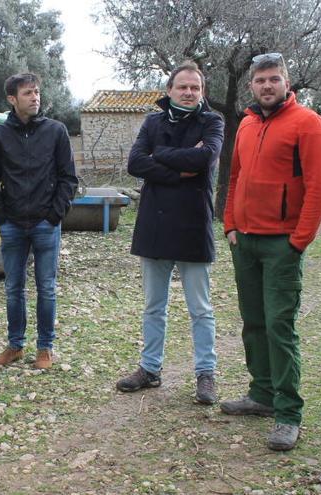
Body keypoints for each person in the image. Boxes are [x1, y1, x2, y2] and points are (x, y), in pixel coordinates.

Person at [221, 52, 321, 451]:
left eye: (274, 79)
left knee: (279, 327)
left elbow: (320, 190)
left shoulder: (309, 125)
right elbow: (234, 178)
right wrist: (230, 224)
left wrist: (298, 241)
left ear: (287, 82)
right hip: (245, 242)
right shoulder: (248, 124)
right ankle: (262, 394)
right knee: (253, 323)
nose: (267, 86)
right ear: (252, 85)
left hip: (281, 245)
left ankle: (288, 413)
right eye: (260, 80)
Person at [113, 61, 223, 404]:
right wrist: (177, 168)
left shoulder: (213, 122)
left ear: (202, 92)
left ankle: (206, 374)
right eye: (183, 87)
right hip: (155, 225)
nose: (189, 92)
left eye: (195, 88)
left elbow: (204, 160)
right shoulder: (153, 121)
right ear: (169, 90)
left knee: (201, 308)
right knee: (153, 306)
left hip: (193, 224)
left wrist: (159, 156)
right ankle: (149, 369)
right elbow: (135, 163)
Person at [0, 73, 78, 370]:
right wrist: (1, 217)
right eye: (27, 93)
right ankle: (15, 346)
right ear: (12, 99)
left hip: (45, 224)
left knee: (46, 287)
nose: (35, 97)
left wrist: (54, 215)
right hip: (12, 225)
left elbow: (68, 178)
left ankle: (45, 348)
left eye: (36, 92)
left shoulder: (56, 131)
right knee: (13, 288)